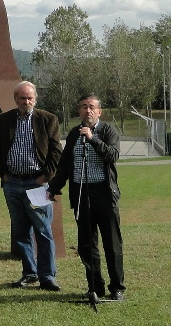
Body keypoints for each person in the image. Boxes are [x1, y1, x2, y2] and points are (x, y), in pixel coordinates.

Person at [49, 94, 125, 305]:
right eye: (83, 107)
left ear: (99, 111)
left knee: (112, 243)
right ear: (79, 111)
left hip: (104, 194)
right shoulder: (74, 134)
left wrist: (93, 139)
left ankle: (117, 287)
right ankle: (95, 287)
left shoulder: (108, 131)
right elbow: (65, 165)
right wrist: (53, 188)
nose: (87, 111)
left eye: (92, 107)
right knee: (86, 245)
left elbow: (112, 155)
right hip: (81, 194)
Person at [0, 81, 63, 291]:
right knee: (21, 233)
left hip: (37, 184)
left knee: (43, 231)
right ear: (16, 99)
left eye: (30, 98)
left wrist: (46, 176)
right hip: (13, 183)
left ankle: (47, 276)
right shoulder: (5, 119)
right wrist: (3, 175)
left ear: (35, 99)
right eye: (22, 98)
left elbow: (55, 151)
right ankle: (29, 273)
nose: (26, 102)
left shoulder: (47, 119)